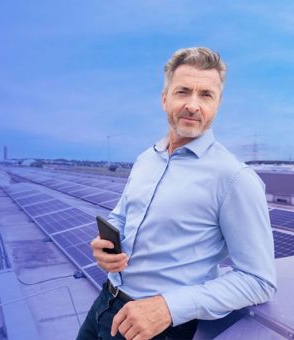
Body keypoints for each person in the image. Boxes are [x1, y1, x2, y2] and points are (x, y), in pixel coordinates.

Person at [77, 47, 277, 340]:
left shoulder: (234, 178)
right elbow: (120, 216)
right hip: (105, 301)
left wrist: (169, 308)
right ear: (164, 98)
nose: (193, 105)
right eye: (183, 91)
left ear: (217, 104)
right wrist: (104, 247)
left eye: (205, 95)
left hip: (156, 328)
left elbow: (259, 281)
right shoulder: (147, 159)